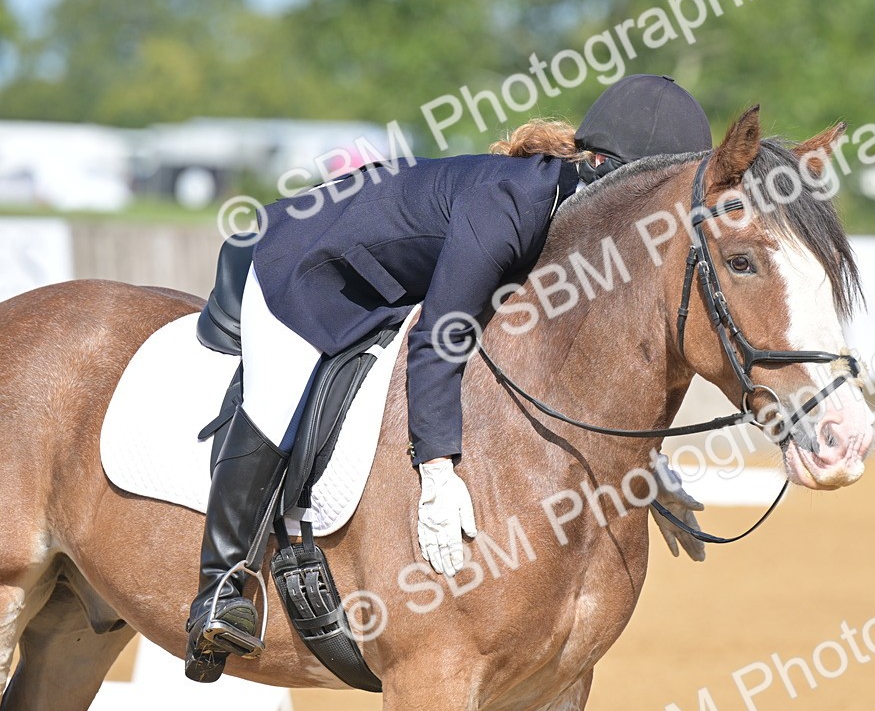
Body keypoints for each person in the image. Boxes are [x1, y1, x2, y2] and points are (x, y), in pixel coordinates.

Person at [184, 75, 713, 682]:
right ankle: (220, 588)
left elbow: (572, 366)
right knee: (276, 406)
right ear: (594, 165)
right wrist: (436, 472)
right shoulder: (513, 204)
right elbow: (440, 337)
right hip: (301, 266)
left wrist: (646, 464)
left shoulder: (582, 227)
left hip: (385, 282)